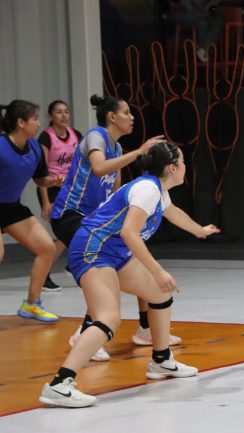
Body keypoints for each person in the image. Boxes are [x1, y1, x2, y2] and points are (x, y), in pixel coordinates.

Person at [39, 141, 220, 408]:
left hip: (112, 251)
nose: (185, 166)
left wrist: (199, 230)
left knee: (159, 293)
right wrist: (158, 270)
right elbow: (129, 233)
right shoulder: (147, 190)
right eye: (182, 162)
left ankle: (161, 360)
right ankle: (59, 384)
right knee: (109, 318)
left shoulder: (157, 190)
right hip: (93, 249)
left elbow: (174, 213)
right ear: (172, 168)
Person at [50, 94, 172, 362]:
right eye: (127, 112)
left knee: (129, 258)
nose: (132, 117)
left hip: (94, 220)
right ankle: (86, 332)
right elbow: (98, 168)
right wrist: (138, 152)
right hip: (71, 215)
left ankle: (144, 328)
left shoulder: (116, 148)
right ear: (112, 117)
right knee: (103, 269)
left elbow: (114, 190)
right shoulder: (97, 137)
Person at [0, 100, 65, 322]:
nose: (39, 123)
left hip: (11, 207)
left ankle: (32, 304)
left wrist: (52, 182)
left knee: (46, 248)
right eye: (35, 119)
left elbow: (40, 179)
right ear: (21, 122)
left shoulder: (35, 148)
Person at [37, 100, 83, 292]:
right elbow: (42, 172)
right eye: (58, 112)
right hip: (52, 189)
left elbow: (81, 164)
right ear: (50, 116)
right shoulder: (46, 138)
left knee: (73, 231)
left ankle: (71, 265)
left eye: (66, 111)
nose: (64, 115)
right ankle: (47, 274)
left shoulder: (76, 135)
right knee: (66, 232)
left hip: (73, 190)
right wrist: (45, 202)